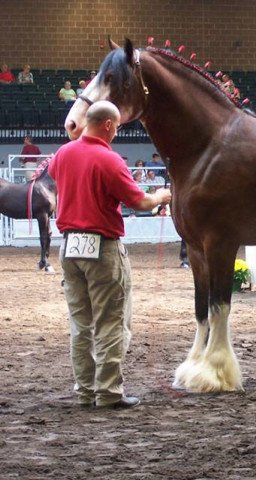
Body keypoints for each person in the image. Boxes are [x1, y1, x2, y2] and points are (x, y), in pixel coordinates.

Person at [48, 101, 172, 409]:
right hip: (102, 248)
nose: (116, 133)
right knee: (111, 322)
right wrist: (160, 196)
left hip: (69, 247)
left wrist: (74, 136)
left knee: (81, 324)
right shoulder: (110, 160)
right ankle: (108, 392)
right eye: (116, 127)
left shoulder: (64, 153)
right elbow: (140, 202)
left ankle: (85, 390)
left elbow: (56, 167)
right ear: (107, 125)